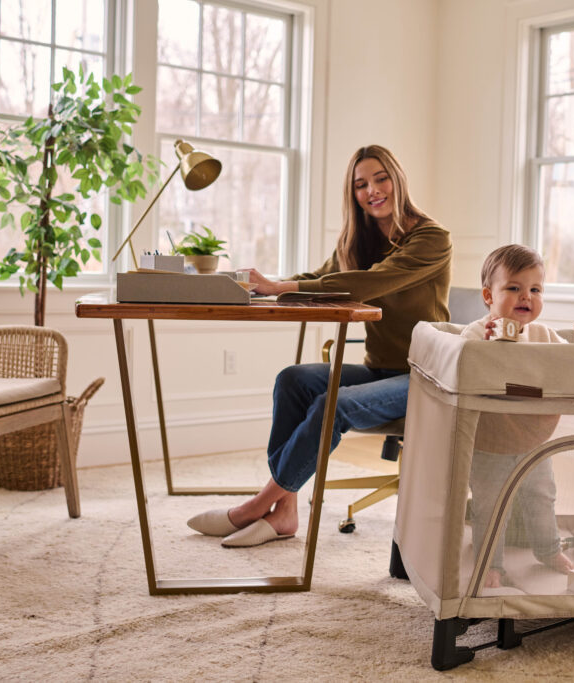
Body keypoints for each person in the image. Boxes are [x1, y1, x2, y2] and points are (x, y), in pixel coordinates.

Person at [187, 145, 451, 547]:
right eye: (361, 184)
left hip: (424, 375)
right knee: (294, 380)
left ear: (397, 178)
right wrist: (266, 287)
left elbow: (372, 283)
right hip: (381, 368)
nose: (372, 190)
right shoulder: (358, 241)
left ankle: (256, 506)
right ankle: (286, 511)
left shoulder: (431, 238)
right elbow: (320, 276)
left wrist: (284, 287)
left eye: (380, 178)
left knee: (335, 403)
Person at [461, 244, 574, 588]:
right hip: (489, 442)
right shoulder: (475, 333)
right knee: (490, 506)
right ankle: (490, 563)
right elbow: (463, 365)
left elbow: (566, 364)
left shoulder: (544, 335)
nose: (525, 296)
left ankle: (548, 549)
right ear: (488, 295)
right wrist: (482, 348)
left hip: (534, 439)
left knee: (542, 497)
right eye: (513, 288)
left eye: (535, 290)